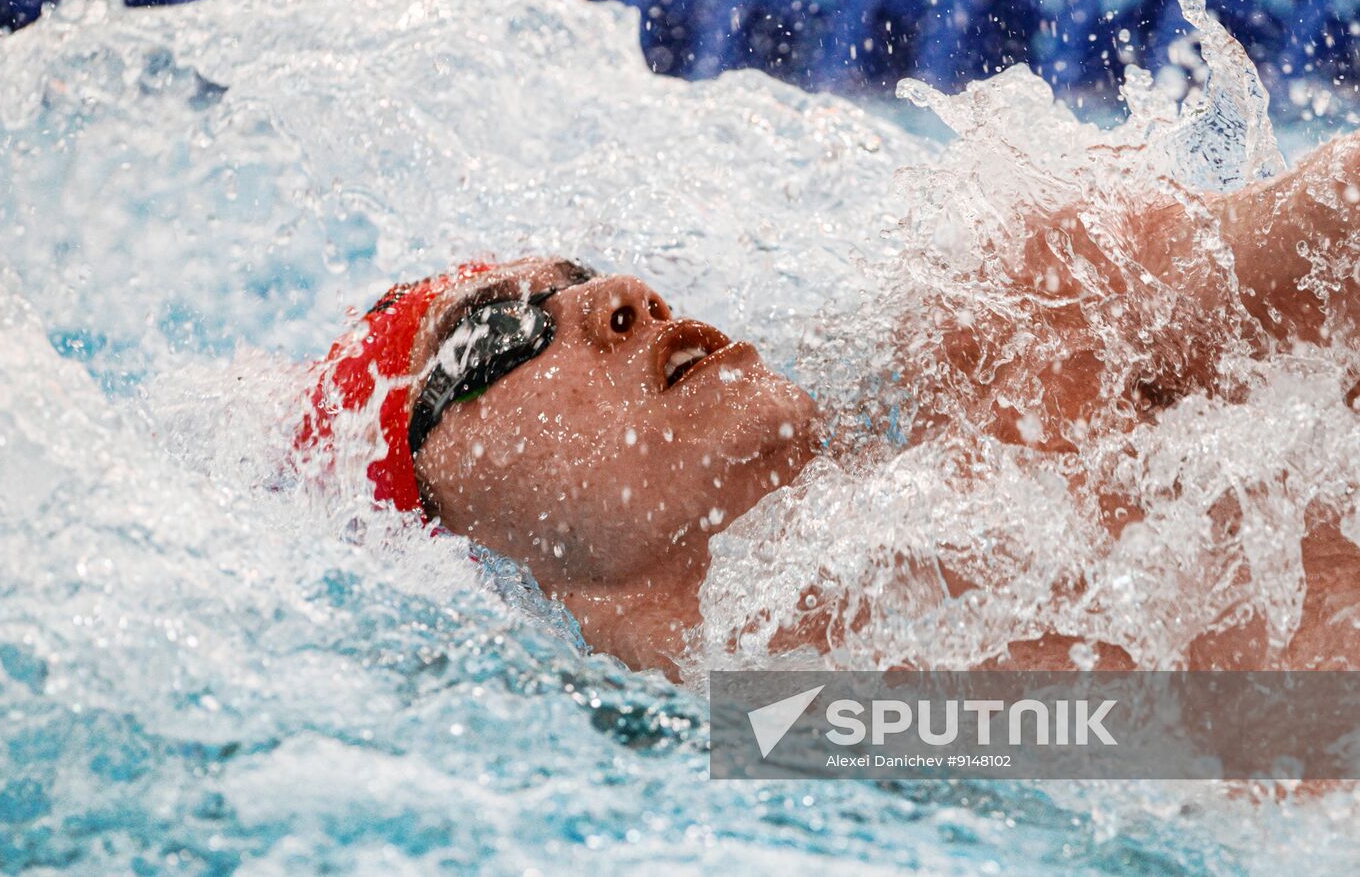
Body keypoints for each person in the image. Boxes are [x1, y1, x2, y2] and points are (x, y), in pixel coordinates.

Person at [300, 132, 1360, 679]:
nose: (616, 297)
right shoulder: (804, 726)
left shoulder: (1037, 324)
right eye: (497, 334)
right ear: (446, 531)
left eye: (578, 274)